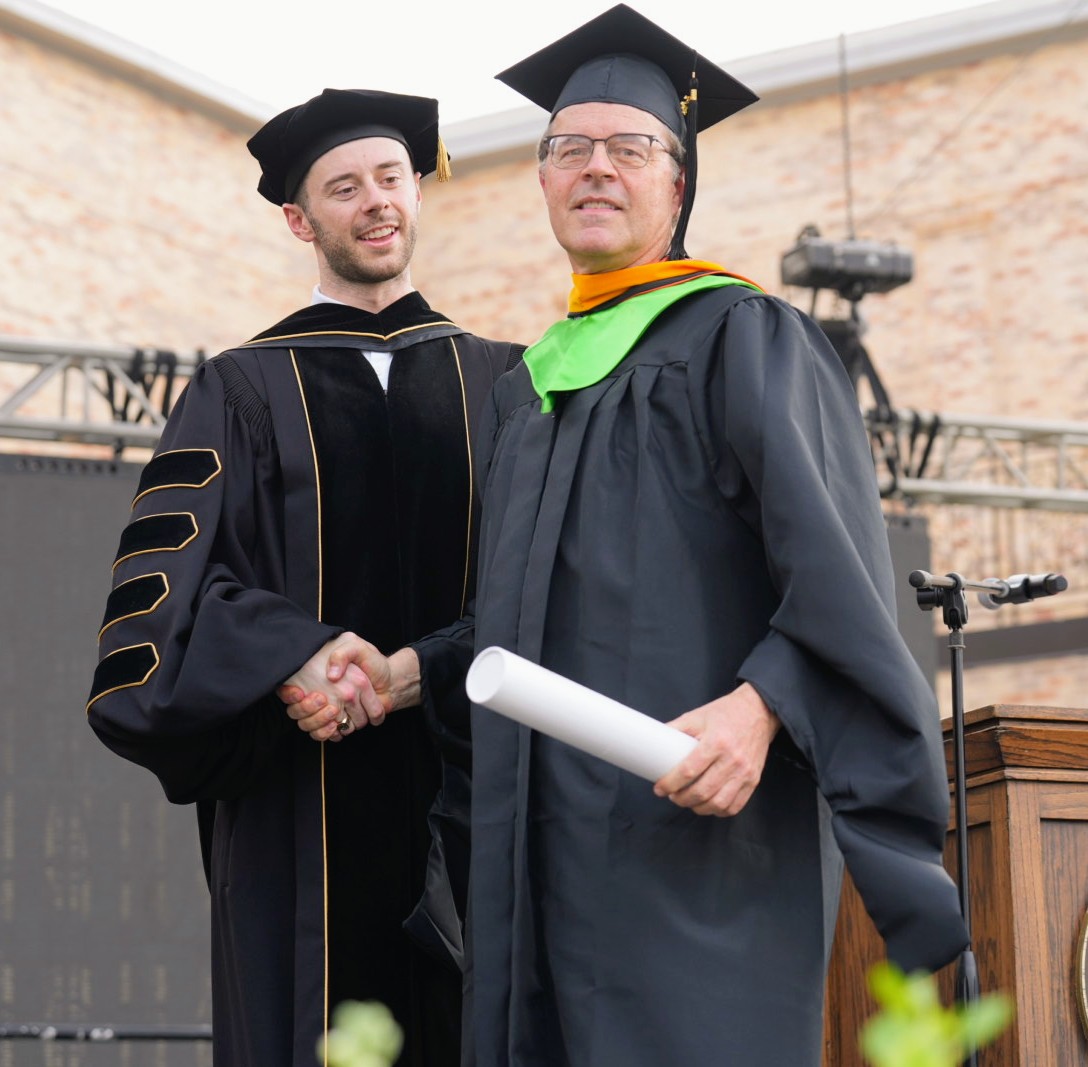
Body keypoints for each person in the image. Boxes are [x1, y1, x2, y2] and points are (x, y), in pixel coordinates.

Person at [285, 8, 972, 1064]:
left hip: (687, 845)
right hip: (529, 870)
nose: (595, 168)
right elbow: (520, 621)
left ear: (677, 182)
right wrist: (409, 669)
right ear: (543, 179)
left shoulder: (744, 339)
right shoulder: (530, 388)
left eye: (628, 147)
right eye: (569, 149)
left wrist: (758, 709)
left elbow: (839, 588)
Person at [85, 88, 523, 1067]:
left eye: (391, 178)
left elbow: (548, 593)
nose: (376, 201)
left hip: (472, 800)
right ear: (299, 218)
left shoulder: (506, 383)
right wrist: (299, 653)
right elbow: (158, 615)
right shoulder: (237, 388)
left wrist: (415, 670)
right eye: (344, 186)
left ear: (417, 191)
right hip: (294, 814)